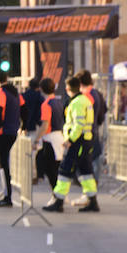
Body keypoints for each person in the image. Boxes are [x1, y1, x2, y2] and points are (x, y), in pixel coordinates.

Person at [43, 75, 99, 213]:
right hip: (84, 140)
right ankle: (93, 201)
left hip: (77, 142)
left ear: (67, 88)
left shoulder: (76, 103)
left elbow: (78, 124)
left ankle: (59, 201)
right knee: (85, 172)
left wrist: (70, 140)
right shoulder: (84, 100)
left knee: (65, 170)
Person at [0, 70, 21, 206]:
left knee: (2, 163)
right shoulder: (15, 92)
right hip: (13, 130)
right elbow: (24, 108)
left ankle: (7, 195)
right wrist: (23, 126)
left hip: (3, 132)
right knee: (2, 162)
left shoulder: (1, 93)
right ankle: (3, 192)